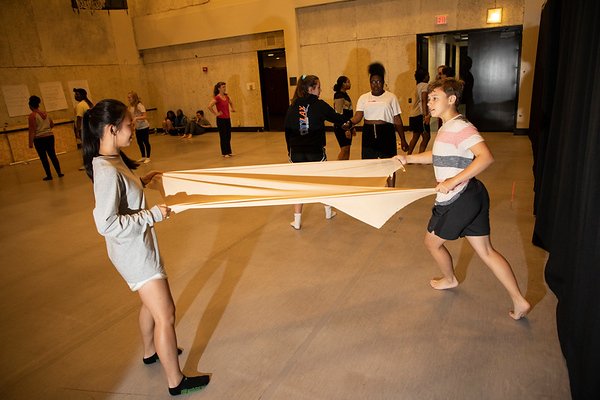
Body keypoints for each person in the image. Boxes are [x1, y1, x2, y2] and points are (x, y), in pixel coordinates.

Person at [81, 99, 211, 396]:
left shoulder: (113, 160)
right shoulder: (105, 171)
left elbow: (121, 194)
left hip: (136, 248)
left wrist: (141, 181)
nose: (135, 129)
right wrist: (154, 214)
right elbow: (107, 224)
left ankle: (150, 351)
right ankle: (176, 382)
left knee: (149, 305)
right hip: (134, 253)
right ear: (112, 129)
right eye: (129, 125)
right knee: (166, 314)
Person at [396, 78, 530, 320]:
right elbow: (438, 155)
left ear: (451, 99)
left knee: (431, 243)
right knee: (487, 251)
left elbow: (485, 157)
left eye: (434, 98)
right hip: (473, 195)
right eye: (428, 99)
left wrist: (452, 181)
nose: (429, 103)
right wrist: (410, 158)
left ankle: (450, 279)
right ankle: (519, 300)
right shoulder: (447, 127)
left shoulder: (460, 127)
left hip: (459, 199)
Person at [284, 74, 349, 230]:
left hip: (297, 153)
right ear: (311, 89)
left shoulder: (293, 105)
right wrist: (350, 123)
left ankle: (297, 221)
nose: (321, 90)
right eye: (319, 87)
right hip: (315, 151)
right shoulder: (319, 104)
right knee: (322, 182)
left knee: (298, 186)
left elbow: (287, 130)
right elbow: (337, 118)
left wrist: (290, 151)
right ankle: (328, 212)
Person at [344, 62, 407, 187]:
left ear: (383, 82)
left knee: (390, 163)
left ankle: (391, 189)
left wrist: (403, 139)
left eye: (378, 82)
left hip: (386, 132)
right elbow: (358, 116)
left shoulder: (391, 97)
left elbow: (397, 120)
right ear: (370, 83)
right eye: (373, 82)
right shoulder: (363, 98)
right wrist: (350, 123)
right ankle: (371, 188)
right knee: (368, 164)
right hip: (368, 133)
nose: (375, 84)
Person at [27, 96, 63, 181]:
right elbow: (52, 125)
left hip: (39, 139)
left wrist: (30, 142)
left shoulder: (32, 116)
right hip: (50, 136)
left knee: (43, 157)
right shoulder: (46, 114)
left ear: (30, 106)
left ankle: (49, 175)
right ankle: (59, 173)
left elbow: (32, 129)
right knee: (53, 155)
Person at [407, 68, 431, 154]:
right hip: (420, 115)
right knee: (426, 137)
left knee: (416, 136)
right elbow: (424, 100)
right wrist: (426, 115)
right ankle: (420, 155)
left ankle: (409, 154)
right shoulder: (425, 85)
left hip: (413, 115)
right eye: (428, 75)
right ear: (424, 77)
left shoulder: (417, 86)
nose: (429, 76)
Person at [208, 82, 235, 157]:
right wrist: (216, 114)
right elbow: (209, 106)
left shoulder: (226, 96)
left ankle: (229, 151)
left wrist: (233, 108)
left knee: (228, 135)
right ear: (219, 88)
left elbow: (231, 103)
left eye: (225, 87)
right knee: (223, 136)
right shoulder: (217, 97)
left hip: (227, 119)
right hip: (221, 120)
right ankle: (224, 153)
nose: (224, 88)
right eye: (223, 87)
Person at [332, 76, 356, 160]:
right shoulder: (339, 96)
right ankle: (339, 168)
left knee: (347, 149)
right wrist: (346, 129)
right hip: (341, 127)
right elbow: (339, 114)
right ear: (343, 84)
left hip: (347, 125)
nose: (350, 84)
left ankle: (345, 167)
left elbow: (349, 112)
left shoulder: (345, 95)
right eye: (348, 82)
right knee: (344, 149)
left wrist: (352, 127)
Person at [127, 91, 152, 163]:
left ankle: (148, 157)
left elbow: (145, 116)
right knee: (139, 142)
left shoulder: (139, 105)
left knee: (145, 141)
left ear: (134, 98)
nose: (128, 99)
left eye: (130, 97)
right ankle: (143, 156)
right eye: (128, 97)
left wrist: (136, 118)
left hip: (144, 127)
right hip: (138, 127)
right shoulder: (131, 107)